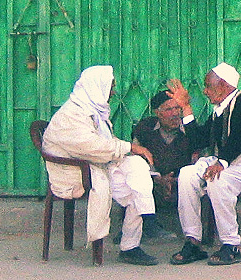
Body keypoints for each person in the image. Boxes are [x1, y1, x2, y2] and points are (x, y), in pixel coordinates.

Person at [41, 65, 162, 266]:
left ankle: (142, 229)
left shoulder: (94, 111)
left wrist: (130, 151)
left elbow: (104, 144)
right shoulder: (72, 114)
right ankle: (137, 235)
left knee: (137, 170)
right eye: (110, 87)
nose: (113, 93)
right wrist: (130, 147)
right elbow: (92, 147)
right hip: (75, 171)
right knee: (134, 187)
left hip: (96, 165)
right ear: (96, 87)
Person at [166, 62, 241, 266]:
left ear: (222, 85)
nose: (205, 91)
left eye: (208, 86)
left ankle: (232, 245)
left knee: (217, 179)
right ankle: (193, 242)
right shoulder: (219, 111)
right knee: (187, 175)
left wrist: (221, 163)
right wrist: (185, 107)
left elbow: (238, 138)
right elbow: (199, 140)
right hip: (227, 163)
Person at [131, 90, 201, 206]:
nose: (175, 113)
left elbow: (200, 162)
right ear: (157, 113)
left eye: (177, 108)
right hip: (151, 185)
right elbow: (134, 160)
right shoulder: (144, 129)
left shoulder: (191, 131)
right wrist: (158, 179)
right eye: (169, 109)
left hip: (184, 187)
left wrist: (176, 181)